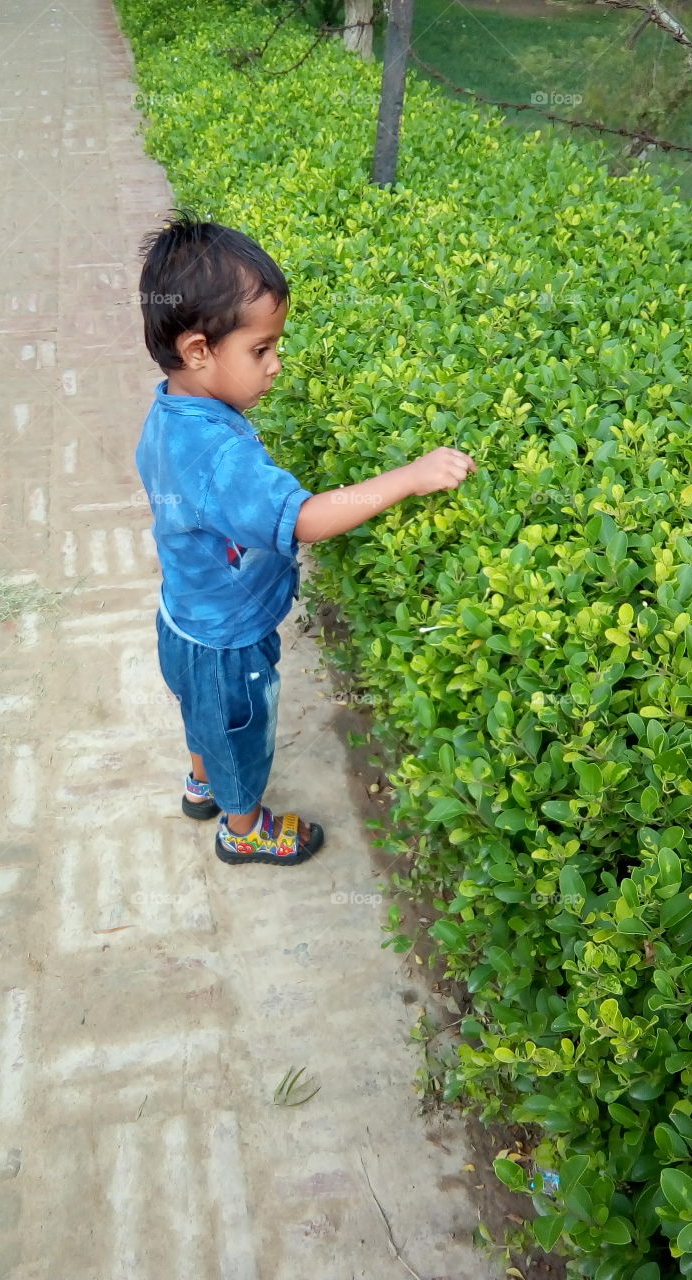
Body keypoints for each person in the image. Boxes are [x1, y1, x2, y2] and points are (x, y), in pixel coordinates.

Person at [135, 212, 477, 867]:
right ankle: (242, 827)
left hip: (182, 617)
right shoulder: (219, 459)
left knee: (202, 715)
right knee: (241, 734)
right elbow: (308, 518)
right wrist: (409, 477)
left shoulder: (171, 411)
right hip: (229, 641)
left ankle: (200, 783)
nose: (276, 365)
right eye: (261, 350)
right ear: (199, 350)